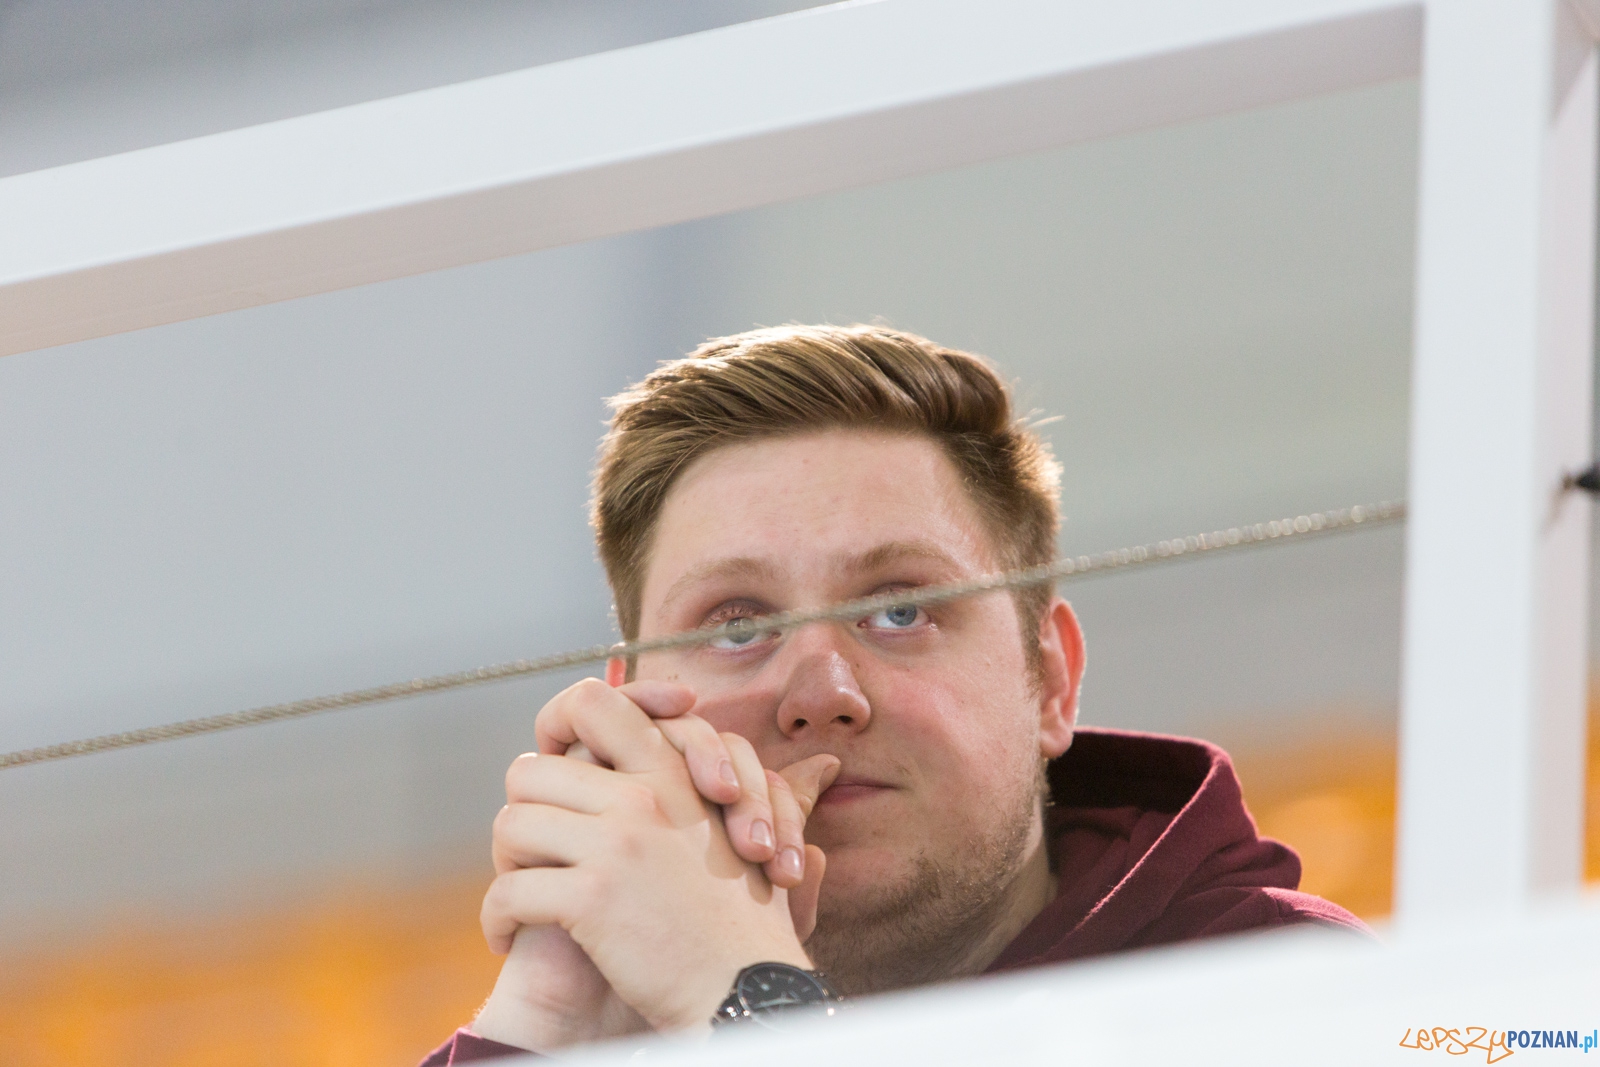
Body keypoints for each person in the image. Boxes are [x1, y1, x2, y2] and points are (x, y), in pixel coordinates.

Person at [422, 325, 1367, 1064]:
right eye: (737, 624)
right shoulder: (578, 1028)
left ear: (1051, 680)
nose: (821, 694)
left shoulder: (1309, 1000)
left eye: (903, 609)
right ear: (632, 716)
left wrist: (748, 1003)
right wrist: (551, 1022)